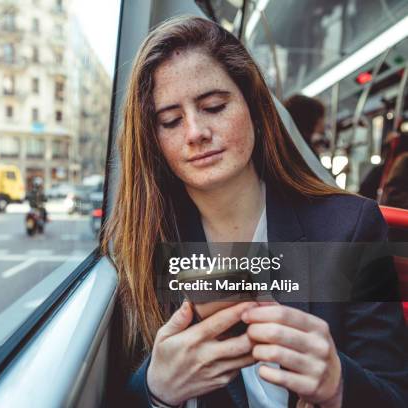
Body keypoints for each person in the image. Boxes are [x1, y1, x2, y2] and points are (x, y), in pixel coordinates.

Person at [100, 16, 407, 408]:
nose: (195, 132)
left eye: (214, 106)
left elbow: (395, 395)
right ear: (153, 141)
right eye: (170, 121)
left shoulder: (349, 228)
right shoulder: (142, 247)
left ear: (254, 109)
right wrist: (156, 391)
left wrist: (338, 382)